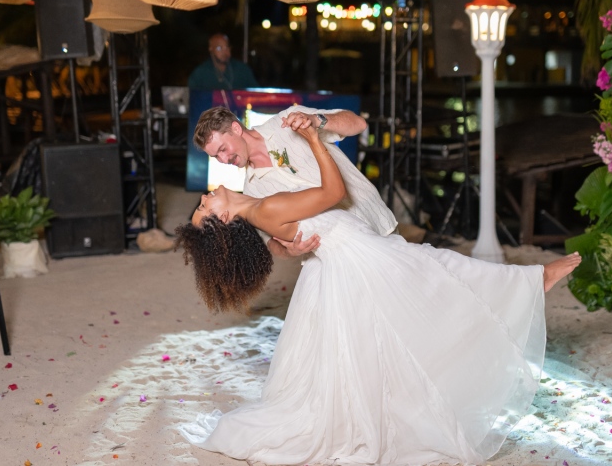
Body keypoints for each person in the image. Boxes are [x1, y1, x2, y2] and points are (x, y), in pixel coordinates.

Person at [175, 124, 582, 465]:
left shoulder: (260, 207)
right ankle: (532, 282)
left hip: (347, 258)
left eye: (201, 202)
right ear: (224, 219)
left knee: (411, 309)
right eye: (205, 208)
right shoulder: (262, 210)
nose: (206, 197)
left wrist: (293, 241)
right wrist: (316, 141)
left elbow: (291, 231)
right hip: (357, 257)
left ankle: (528, 284)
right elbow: (333, 193)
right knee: (439, 276)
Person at [193, 105, 397, 258]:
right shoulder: (251, 191)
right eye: (216, 157)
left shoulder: (287, 121)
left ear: (236, 129)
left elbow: (358, 124)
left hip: (377, 221)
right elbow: (270, 242)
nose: (223, 160)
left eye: (222, 150)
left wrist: (316, 120)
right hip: (341, 253)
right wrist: (290, 250)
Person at [187, 33, 259, 90]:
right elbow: (192, 98)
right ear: (211, 49)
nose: (225, 51)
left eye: (227, 47)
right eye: (219, 48)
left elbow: (255, 93)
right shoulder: (200, 73)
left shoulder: (242, 70)